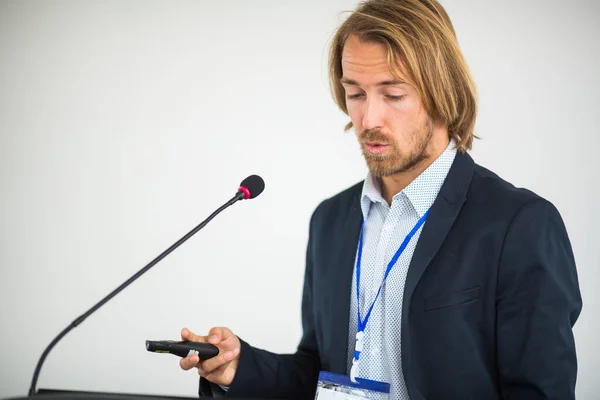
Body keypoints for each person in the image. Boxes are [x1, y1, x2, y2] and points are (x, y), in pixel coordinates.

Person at [179, 0, 582, 399]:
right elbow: (319, 373)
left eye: (392, 95)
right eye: (355, 93)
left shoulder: (520, 224)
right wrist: (238, 368)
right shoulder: (330, 221)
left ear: (443, 92)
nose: (369, 119)